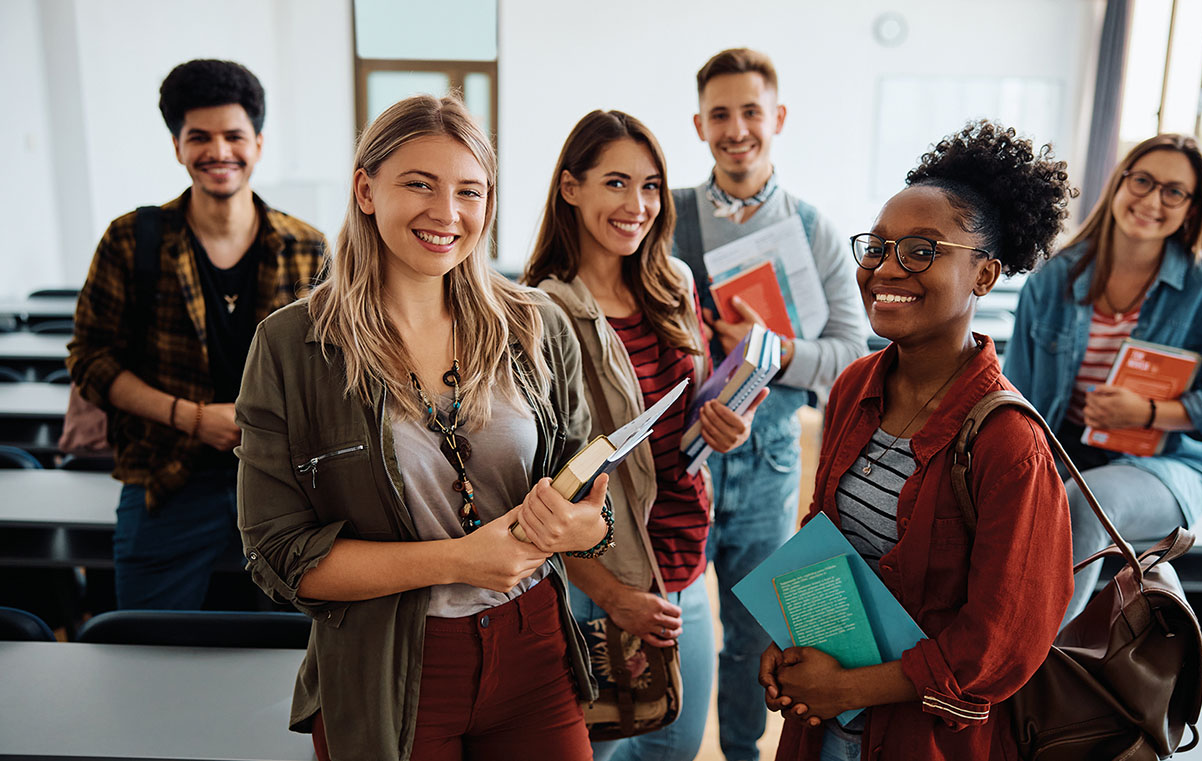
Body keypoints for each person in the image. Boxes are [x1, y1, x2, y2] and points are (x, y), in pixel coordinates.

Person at [237, 94, 612, 761]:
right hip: (384, 666)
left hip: (532, 649)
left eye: (470, 190)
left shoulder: (535, 325)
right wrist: (461, 559)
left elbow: (586, 492)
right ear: (366, 189)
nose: (447, 213)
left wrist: (582, 528)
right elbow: (280, 555)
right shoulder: (293, 345)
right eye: (419, 184)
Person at [762, 121, 1077, 761]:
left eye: (923, 251)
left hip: (921, 740)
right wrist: (794, 637)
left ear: (984, 276)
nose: (886, 268)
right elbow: (828, 546)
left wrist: (848, 686)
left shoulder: (1009, 442)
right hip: (825, 724)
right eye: (877, 247)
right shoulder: (855, 386)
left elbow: (1001, 641)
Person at [524, 109, 766, 761]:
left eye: (652, 186)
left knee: (674, 743)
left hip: (683, 562)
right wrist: (611, 595)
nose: (638, 205)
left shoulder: (673, 283)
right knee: (592, 748)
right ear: (570, 188)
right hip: (598, 577)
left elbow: (687, 417)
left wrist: (728, 425)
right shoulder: (543, 314)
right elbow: (536, 483)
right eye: (616, 183)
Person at [66, 59, 326, 610]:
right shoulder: (131, 239)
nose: (219, 152)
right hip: (165, 479)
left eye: (234, 136)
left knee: (281, 666)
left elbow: (331, 367)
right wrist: (191, 417)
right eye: (199, 137)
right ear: (178, 147)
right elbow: (91, 360)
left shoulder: (309, 248)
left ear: (257, 142)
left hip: (286, 486)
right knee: (148, 647)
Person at [670, 47, 868, 761]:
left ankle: (745, 753)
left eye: (750, 111)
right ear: (699, 125)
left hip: (771, 459)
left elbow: (851, 353)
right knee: (682, 623)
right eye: (719, 114)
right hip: (683, 459)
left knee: (753, 635)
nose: (736, 129)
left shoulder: (814, 229)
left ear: (776, 118)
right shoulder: (669, 219)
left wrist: (773, 349)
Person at [1004, 134, 1202, 623]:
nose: (1152, 200)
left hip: (1166, 467)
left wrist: (1148, 413)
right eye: (1142, 181)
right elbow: (1016, 391)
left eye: (1174, 191)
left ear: (1191, 209)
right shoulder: (1052, 280)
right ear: (1120, 183)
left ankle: (1034, 666)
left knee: (1086, 504)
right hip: (1065, 456)